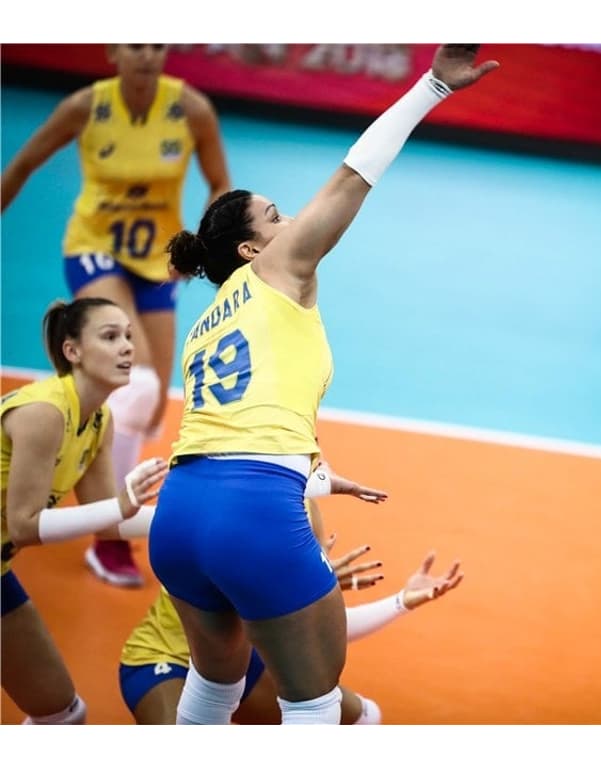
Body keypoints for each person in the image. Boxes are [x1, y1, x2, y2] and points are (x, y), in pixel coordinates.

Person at [146, 44, 498, 725]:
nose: (291, 224)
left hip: (180, 514)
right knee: (313, 703)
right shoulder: (280, 270)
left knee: (214, 689)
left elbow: (246, 417)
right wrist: (430, 87)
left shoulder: (207, 325)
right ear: (253, 249)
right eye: (276, 217)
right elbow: (352, 177)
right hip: (251, 512)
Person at [1, 43, 230, 588]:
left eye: (157, 45)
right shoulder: (85, 106)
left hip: (158, 263)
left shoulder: (191, 108)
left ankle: (92, 487)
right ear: (113, 52)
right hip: (94, 249)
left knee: (148, 407)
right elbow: (27, 161)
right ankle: (109, 540)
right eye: (136, 45)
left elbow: (220, 182)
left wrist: (195, 247)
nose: (148, 56)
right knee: (138, 385)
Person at [1, 297, 168, 724]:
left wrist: (191, 523)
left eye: (129, 336)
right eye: (110, 337)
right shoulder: (43, 412)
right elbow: (24, 525)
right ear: (72, 351)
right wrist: (119, 505)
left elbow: (108, 522)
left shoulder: (99, 420)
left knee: (61, 713)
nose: (128, 347)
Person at [120, 530, 464, 725]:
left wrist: (400, 601)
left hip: (240, 658)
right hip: (165, 660)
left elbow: (309, 629)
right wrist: (298, 587)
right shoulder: (208, 513)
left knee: (362, 719)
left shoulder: (297, 520)